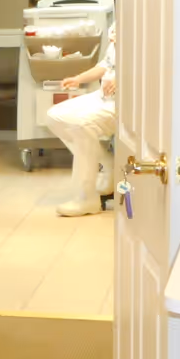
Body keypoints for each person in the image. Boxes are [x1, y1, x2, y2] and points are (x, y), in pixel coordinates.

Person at [47, 21, 116, 217]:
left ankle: (86, 198)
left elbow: (150, 67)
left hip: (125, 104)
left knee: (80, 125)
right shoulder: (119, 24)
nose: (113, 38)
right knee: (55, 116)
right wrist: (79, 78)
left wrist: (123, 77)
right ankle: (106, 164)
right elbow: (105, 65)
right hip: (102, 97)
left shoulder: (146, 30)